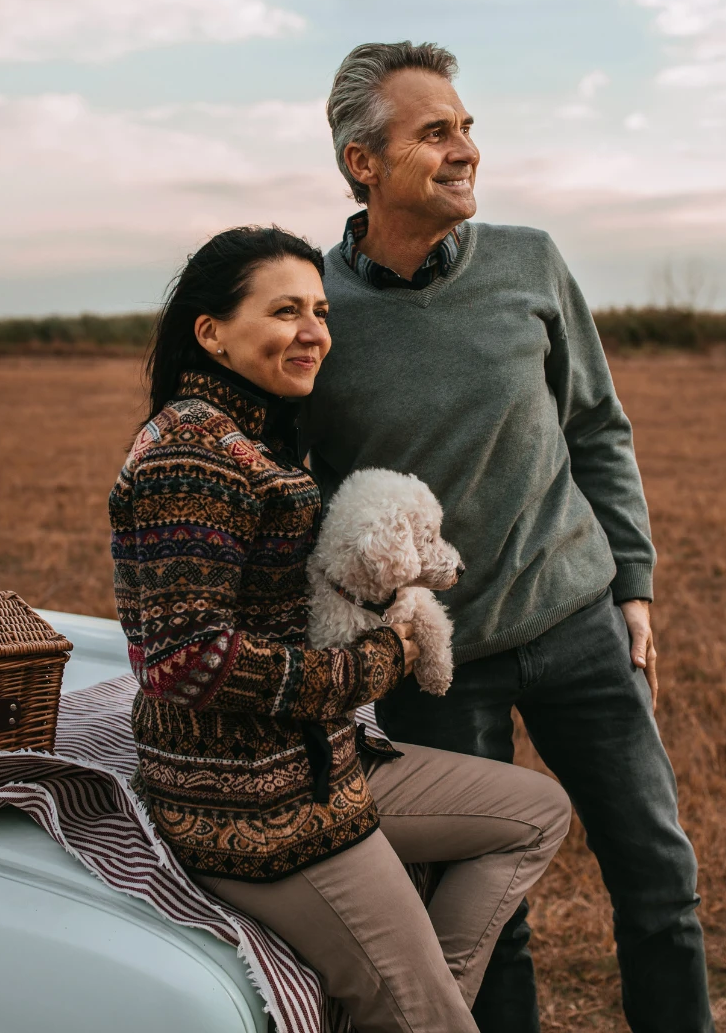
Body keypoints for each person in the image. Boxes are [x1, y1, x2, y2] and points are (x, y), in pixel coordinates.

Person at [300, 42, 716, 1033]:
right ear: (365, 163)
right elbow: (297, 496)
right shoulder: (316, 309)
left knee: (661, 883)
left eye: (468, 128)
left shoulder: (531, 262)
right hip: (436, 671)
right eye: (435, 132)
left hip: (577, 630)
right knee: (488, 917)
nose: (465, 150)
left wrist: (634, 588)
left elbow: (597, 429)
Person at [108, 224, 571, 1033]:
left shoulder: (249, 434)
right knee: (431, 1017)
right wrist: (378, 660)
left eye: (319, 310)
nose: (314, 330)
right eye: (285, 310)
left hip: (320, 764)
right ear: (210, 332)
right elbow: (185, 660)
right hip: (255, 807)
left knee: (535, 813)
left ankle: (412, 1011)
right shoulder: (193, 453)